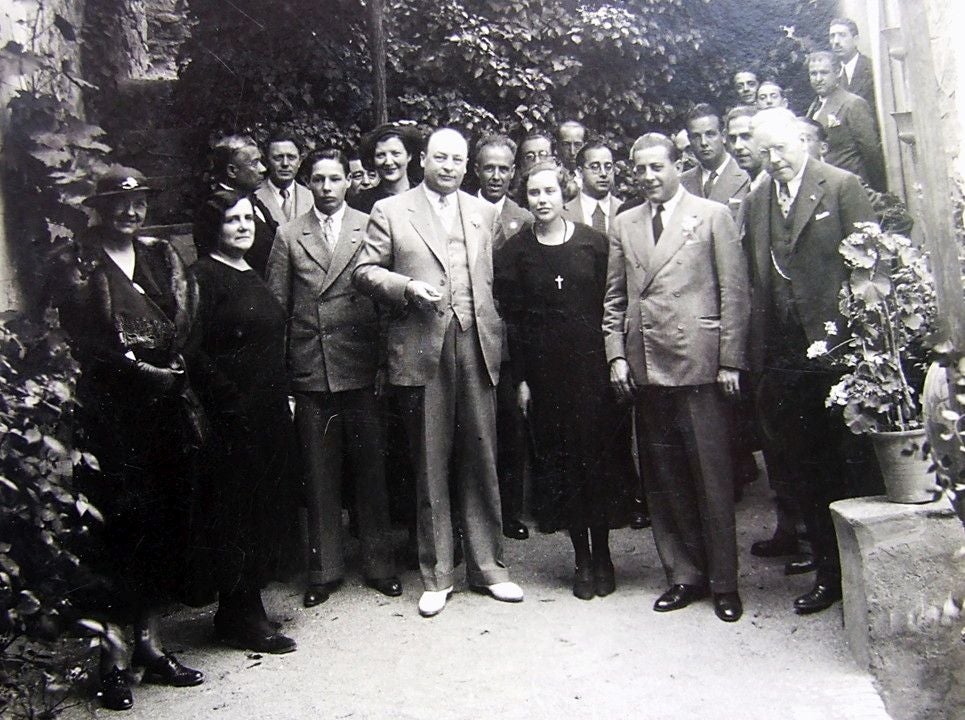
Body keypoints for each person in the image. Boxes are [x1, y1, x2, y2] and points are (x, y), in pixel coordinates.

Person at [353, 127, 524, 618]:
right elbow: (364, 271)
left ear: (466, 165)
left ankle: (490, 569)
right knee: (430, 460)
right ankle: (438, 574)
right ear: (423, 158)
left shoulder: (483, 211)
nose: (449, 166)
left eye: (457, 159)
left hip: (476, 340)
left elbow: (494, 280)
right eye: (440, 157)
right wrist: (406, 287)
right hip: (422, 341)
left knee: (481, 455)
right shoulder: (391, 210)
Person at [58, 167, 205, 710]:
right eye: (119, 204)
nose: (131, 212)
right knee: (118, 532)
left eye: (139, 201)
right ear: (98, 208)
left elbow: (184, 317)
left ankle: (150, 644)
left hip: (164, 410)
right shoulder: (77, 263)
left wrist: (168, 366)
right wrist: (135, 369)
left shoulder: (160, 256)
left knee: (163, 524)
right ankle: (111, 661)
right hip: (112, 416)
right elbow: (87, 340)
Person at [604, 133, 749, 623]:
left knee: (711, 479)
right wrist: (615, 357)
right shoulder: (625, 223)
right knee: (663, 481)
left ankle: (725, 583)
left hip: (698, 364)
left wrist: (730, 361)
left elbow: (734, 292)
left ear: (676, 166)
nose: (648, 177)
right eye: (640, 169)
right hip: (646, 365)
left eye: (656, 167)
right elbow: (614, 300)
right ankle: (683, 574)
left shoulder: (711, 216)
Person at [743, 108, 882, 614]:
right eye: (764, 153)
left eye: (781, 148)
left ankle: (865, 575)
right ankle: (828, 574)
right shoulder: (758, 199)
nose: (773, 160)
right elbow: (756, 279)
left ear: (802, 140)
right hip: (785, 356)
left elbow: (872, 268)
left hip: (839, 352)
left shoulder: (841, 186)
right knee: (806, 466)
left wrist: (863, 345)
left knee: (852, 462)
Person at [266, 149, 401, 606]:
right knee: (319, 475)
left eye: (334, 179)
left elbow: (386, 302)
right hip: (311, 368)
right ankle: (324, 570)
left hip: (361, 365)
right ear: (309, 184)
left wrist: (384, 362)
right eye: (318, 180)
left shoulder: (371, 225)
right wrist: (284, 376)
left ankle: (380, 564)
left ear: (349, 182)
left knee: (371, 470)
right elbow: (276, 311)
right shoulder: (288, 235)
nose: (326, 188)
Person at [495, 161, 631, 599]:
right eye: (533, 193)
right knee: (563, 465)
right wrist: (521, 380)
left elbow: (613, 305)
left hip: (592, 373)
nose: (542, 200)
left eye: (550, 191)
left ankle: (604, 553)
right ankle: (581, 558)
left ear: (564, 193)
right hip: (546, 377)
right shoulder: (515, 252)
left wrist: (615, 361)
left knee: (597, 462)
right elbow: (512, 322)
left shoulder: (594, 244)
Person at [189, 189, 299, 654]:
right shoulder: (202, 277)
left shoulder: (249, 272)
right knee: (235, 511)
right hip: (231, 414)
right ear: (213, 228)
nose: (242, 226)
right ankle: (243, 614)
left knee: (262, 507)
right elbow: (192, 351)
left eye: (247, 218)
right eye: (231, 220)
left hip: (268, 409)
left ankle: (237, 612)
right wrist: (228, 401)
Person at [474, 133, 534, 540]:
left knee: (511, 427)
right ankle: (475, 513)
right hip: (474, 334)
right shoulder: (461, 211)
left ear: (513, 172)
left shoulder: (524, 219)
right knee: (474, 428)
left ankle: (509, 512)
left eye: (503, 169)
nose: (496, 176)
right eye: (488, 168)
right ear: (476, 170)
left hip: (511, 341)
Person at [805, 51, 885, 191]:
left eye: (824, 73)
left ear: (837, 73)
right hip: (824, 186)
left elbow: (871, 153)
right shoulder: (814, 107)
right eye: (813, 73)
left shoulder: (853, 104)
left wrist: (876, 190)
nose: (818, 79)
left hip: (850, 186)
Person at [205, 134, 276, 277]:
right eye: (254, 163)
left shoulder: (253, 200)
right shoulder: (215, 209)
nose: (263, 169)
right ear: (232, 171)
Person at [681, 104, 751, 223]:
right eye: (696, 136)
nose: (703, 143)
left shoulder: (747, 176)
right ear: (689, 140)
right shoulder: (681, 183)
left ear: (723, 136)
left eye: (710, 134)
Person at [348, 122, 423, 214]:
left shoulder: (424, 196)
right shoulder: (359, 203)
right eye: (380, 155)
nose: (388, 162)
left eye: (395, 154)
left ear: (409, 156)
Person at [561, 141, 623, 233]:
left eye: (608, 167)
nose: (603, 173)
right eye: (594, 167)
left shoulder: (625, 211)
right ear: (580, 172)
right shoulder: (562, 214)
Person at [255, 130, 314, 225]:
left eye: (291, 157)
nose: (285, 164)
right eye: (278, 157)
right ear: (266, 161)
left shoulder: (312, 198)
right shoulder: (254, 197)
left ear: (300, 161)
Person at [829, 17, 877, 111]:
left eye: (842, 35)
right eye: (832, 36)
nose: (836, 41)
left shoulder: (871, 69)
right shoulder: (831, 73)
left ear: (856, 40)